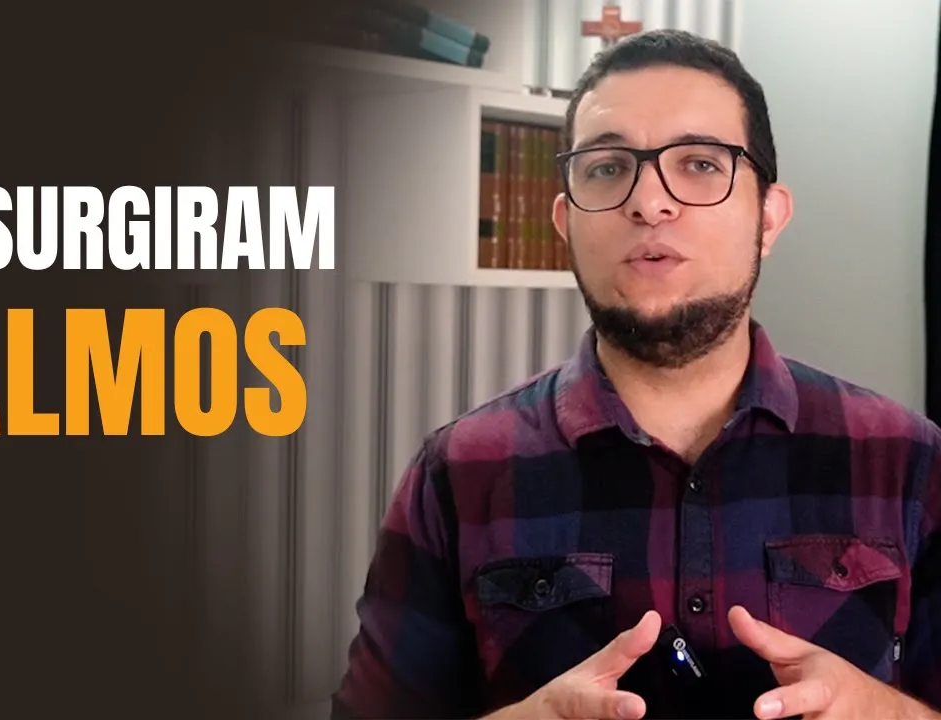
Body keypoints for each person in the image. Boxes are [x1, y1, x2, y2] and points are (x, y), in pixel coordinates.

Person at [331, 29, 941, 720]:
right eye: (607, 168)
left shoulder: (908, 460)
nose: (649, 202)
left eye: (700, 163)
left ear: (769, 218)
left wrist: (892, 713)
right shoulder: (458, 473)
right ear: (566, 222)